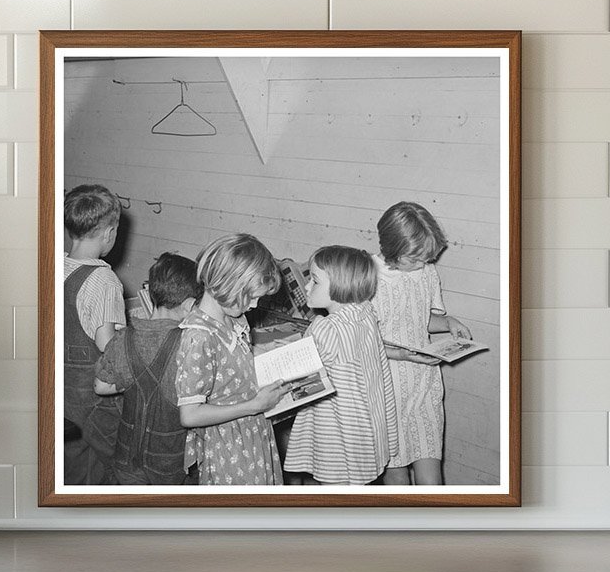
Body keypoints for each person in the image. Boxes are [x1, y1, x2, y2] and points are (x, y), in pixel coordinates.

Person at [175, 233, 289, 486]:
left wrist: (271, 356)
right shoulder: (198, 337)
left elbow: (235, 360)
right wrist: (254, 406)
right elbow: (190, 415)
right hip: (228, 448)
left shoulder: (236, 318)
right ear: (228, 284)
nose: (256, 304)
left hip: (254, 433)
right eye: (251, 296)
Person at [372, 202, 471, 486]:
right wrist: (403, 354)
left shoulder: (425, 272)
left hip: (424, 382)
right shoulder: (367, 276)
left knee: (431, 472)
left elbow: (420, 318)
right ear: (392, 248)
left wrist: (449, 322)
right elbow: (361, 338)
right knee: (396, 471)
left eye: (426, 259)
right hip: (386, 383)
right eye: (414, 260)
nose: (422, 265)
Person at [283, 246, 398, 486]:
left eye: (314, 281)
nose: (306, 287)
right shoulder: (366, 315)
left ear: (340, 285)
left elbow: (296, 376)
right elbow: (381, 376)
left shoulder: (326, 328)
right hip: (366, 433)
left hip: (336, 436)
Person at [93, 253, 201, 485]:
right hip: (170, 463)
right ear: (190, 305)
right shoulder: (189, 344)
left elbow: (101, 386)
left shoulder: (123, 338)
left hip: (125, 460)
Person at [62, 183, 125, 485]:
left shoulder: (51, 265)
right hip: (87, 408)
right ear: (108, 232)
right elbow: (109, 349)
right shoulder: (103, 280)